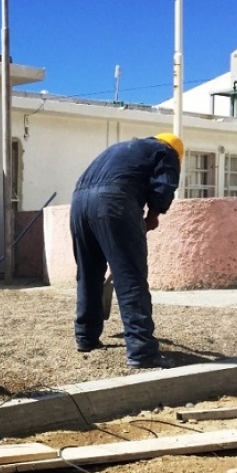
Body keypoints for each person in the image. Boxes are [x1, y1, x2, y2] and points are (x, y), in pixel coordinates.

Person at [69, 133, 183, 369]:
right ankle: (142, 352)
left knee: (89, 273)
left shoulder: (123, 149)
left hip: (79, 203)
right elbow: (163, 190)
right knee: (130, 277)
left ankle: (85, 337)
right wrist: (152, 216)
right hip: (114, 202)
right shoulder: (166, 151)